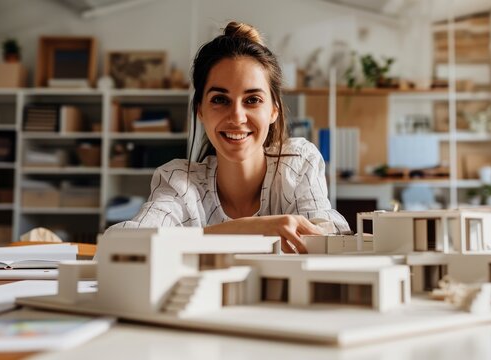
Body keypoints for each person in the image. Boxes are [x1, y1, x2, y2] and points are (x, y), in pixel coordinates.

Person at [110, 21, 350, 253]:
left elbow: (332, 242)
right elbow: (120, 247)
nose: (237, 117)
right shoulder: (179, 181)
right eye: (220, 100)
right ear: (200, 110)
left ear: (274, 110)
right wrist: (248, 230)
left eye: (252, 100)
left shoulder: (297, 163)